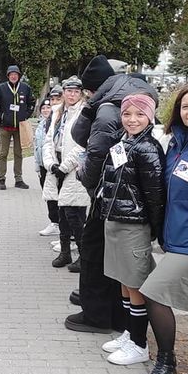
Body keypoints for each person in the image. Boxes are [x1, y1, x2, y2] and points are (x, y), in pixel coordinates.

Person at [66, 54, 158, 333]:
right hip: (121, 193)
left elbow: (95, 153)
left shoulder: (107, 108)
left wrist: (88, 181)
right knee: (108, 255)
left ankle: (97, 315)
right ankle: (112, 312)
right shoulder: (129, 95)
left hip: (111, 194)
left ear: (94, 87)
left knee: (94, 251)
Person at [140, 80, 188, 374]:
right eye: (185, 106)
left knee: (153, 292)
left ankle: (166, 363)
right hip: (177, 239)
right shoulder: (178, 144)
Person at [98, 94, 165, 366]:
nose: (132, 119)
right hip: (116, 220)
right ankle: (129, 333)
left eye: (140, 114)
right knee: (124, 281)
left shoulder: (147, 147)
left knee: (136, 284)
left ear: (150, 116)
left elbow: (156, 194)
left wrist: (157, 232)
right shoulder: (124, 141)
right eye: (127, 114)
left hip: (134, 225)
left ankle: (139, 344)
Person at [42, 76, 89, 270]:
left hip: (73, 168)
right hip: (56, 164)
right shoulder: (57, 112)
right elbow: (48, 141)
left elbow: (82, 145)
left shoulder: (84, 113)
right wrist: (51, 164)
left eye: (76, 91)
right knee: (61, 213)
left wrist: (64, 167)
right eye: (68, 91)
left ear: (81, 93)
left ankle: (83, 255)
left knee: (74, 214)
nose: (71, 95)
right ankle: (64, 252)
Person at [0, 65, 35, 190]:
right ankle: (1, 179)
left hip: (19, 127)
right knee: (3, 153)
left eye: (16, 74)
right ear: (8, 76)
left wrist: (26, 115)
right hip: (5, 127)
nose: (14, 76)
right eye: (11, 74)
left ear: (19, 76)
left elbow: (32, 103)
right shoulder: (1, 88)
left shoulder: (25, 88)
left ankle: (18, 179)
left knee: (18, 153)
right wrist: (2, 116)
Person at [34, 98, 60, 236]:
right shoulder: (41, 124)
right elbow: (36, 147)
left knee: (54, 195)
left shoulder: (55, 123)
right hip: (42, 164)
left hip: (52, 164)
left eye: (48, 107)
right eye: (43, 108)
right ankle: (54, 222)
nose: (45, 110)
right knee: (48, 195)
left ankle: (58, 222)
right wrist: (37, 166)